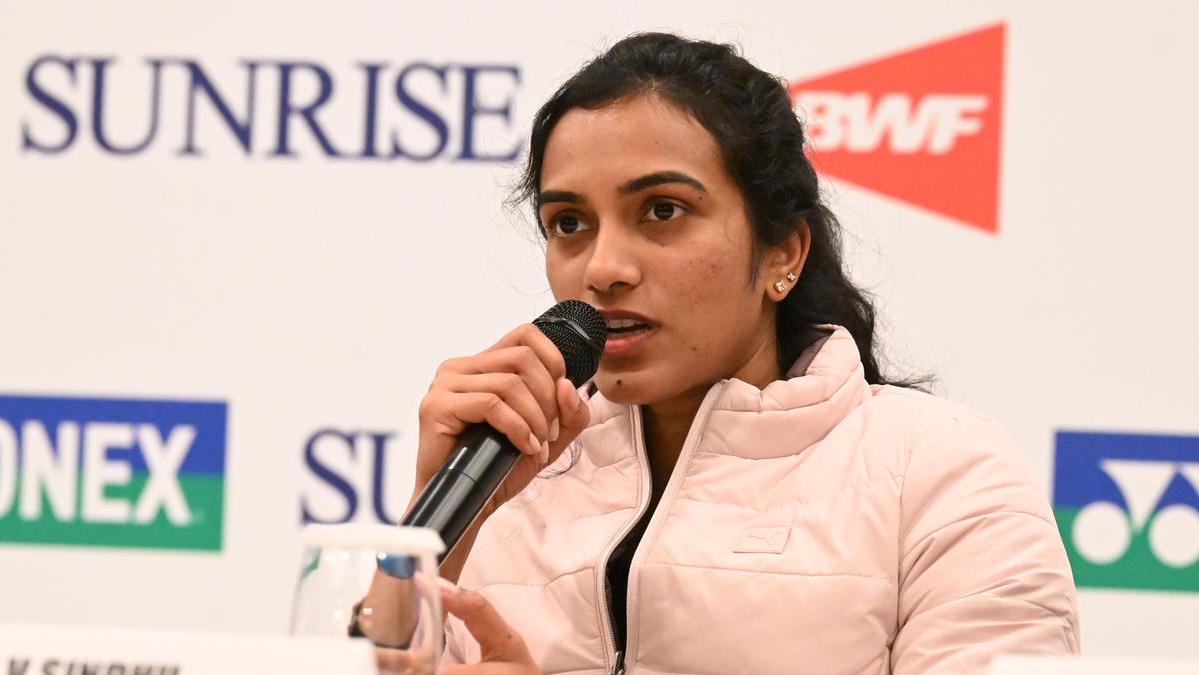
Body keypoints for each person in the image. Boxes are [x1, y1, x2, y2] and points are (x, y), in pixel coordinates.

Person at [408, 32, 1079, 675]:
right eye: (570, 223)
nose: (603, 268)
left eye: (662, 210)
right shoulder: (505, 473)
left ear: (782, 252)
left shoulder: (942, 472)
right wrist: (429, 519)